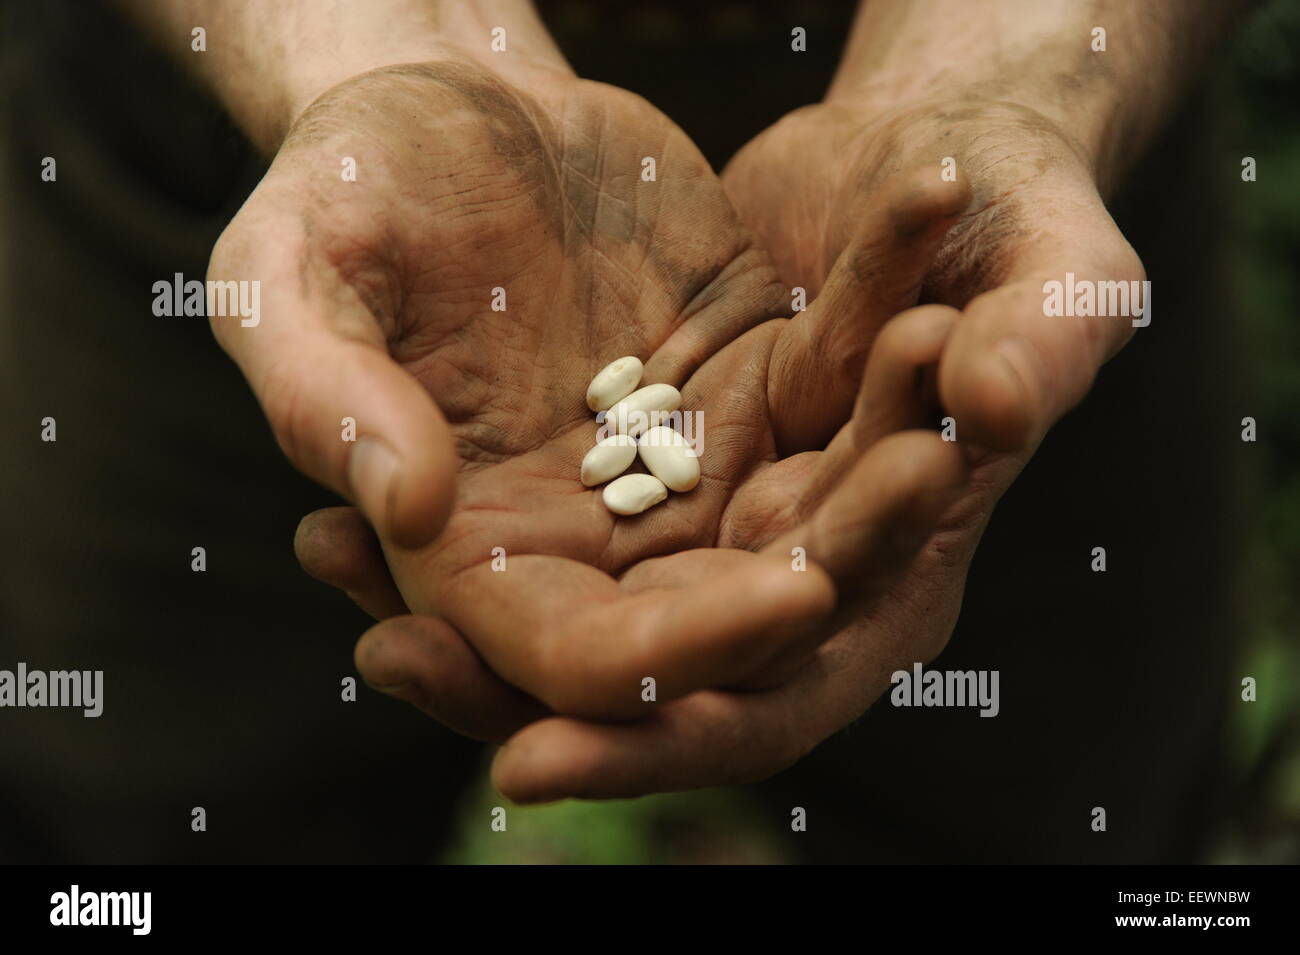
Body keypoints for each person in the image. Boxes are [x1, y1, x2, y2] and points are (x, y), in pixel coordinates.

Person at [0, 0, 1249, 862]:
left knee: (1074, 826)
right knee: (151, 833)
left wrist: (998, 80)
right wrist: (381, 47)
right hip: (228, 117)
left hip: (962, 243)